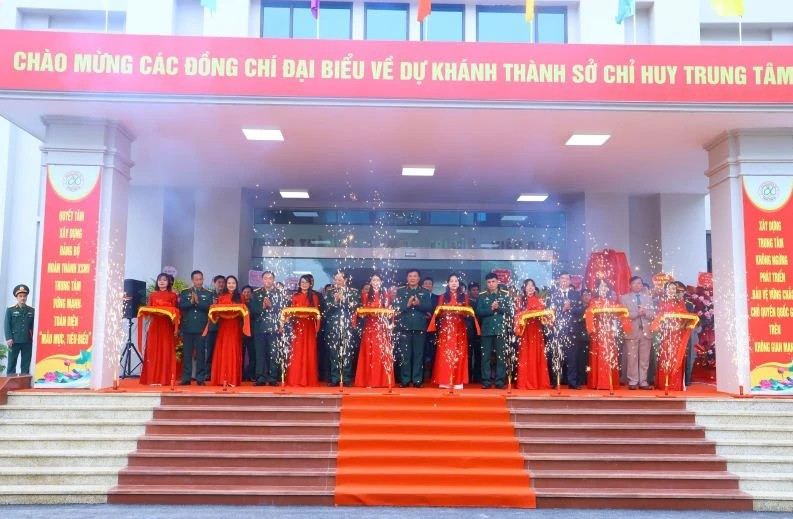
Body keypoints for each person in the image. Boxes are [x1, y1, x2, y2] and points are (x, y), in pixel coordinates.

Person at [652, 282, 699, 391]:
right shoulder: (661, 303)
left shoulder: (681, 302)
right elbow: (658, 318)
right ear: (665, 290)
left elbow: (685, 316)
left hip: (677, 334)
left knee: (677, 357)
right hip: (666, 334)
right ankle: (664, 383)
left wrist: (683, 323)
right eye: (670, 289)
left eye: (674, 289)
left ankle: (675, 384)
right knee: (665, 357)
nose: (672, 291)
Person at [585, 279, 631, 391]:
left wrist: (625, 324)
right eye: (601, 287)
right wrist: (591, 328)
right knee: (599, 354)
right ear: (597, 289)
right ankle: (598, 382)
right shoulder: (593, 301)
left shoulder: (612, 302)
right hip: (597, 332)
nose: (604, 289)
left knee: (609, 355)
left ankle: (609, 381)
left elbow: (620, 313)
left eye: (606, 287)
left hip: (609, 332)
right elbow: (589, 314)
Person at [430, 273, 470, 389]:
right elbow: (438, 312)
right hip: (446, 328)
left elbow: (467, 313)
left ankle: (458, 381)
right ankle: (444, 380)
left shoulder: (464, 297)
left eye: (456, 281)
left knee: (459, 352)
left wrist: (461, 311)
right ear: (448, 283)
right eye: (451, 281)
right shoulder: (442, 297)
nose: (454, 283)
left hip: (460, 327)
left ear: (459, 283)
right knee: (445, 353)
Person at [394, 269, 433, 388]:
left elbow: (429, 307)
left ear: (419, 278)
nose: (412, 278)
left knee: (418, 354)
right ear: (407, 278)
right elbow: (396, 307)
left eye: (415, 276)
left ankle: (417, 380)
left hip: (419, 326)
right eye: (410, 276)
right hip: (404, 327)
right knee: (405, 355)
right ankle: (405, 380)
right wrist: (407, 304)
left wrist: (418, 304)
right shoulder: (400, 291)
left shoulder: (424, 291)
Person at [354, 273, 395, 388]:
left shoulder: (386, 295)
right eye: (373, 280)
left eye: (378, 280)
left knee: (381, 352)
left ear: (381, 282)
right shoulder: (365, 295)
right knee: (369, 352)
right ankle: (368, 381)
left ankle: (382, 381)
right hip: (369, 326)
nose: (376, 282)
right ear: (370, 282)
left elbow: (389, 311)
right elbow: (361, 311)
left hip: (381, 327)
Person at [140, 273, 180, 385]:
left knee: (165, 350)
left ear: (168, 282)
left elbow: (176, 312)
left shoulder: (173, 295)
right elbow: (149, 311)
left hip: (166, 326)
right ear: (157, 282)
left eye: (164, 280)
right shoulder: (152, 295)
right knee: (153, 351)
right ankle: (152, 378)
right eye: (160, 280)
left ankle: (164, 379)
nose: (162, 282)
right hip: (155, 325)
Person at [209, 275, 249, 387]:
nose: (231, 285)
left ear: (236, 285)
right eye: (229, 283)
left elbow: (244, 313)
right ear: (226, 285)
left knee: (233, 351)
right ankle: (221, 379)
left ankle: (232, 379)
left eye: (233, 283)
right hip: (223, 327)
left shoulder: (240, 297)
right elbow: (216, 314)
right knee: (223, 351)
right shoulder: (221, 297)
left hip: (235, 327)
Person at [323, 270, 360, 387]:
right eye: (336, 280)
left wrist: (343, 299)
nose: (337, 282)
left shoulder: (353, 293)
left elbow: (355, 307)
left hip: (347, 327)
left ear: (345, 280)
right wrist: (335, 301)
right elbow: (325, 310)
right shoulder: (330, 293)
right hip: (333, 327)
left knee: (347, 353)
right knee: (334, 353)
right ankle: (335, 378)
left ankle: (346, 378)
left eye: (340, 280)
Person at [249, 271, 286, 386]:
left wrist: (271, 307)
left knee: (273, 353)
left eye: (270, 278)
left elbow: (282, 310)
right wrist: (263, 307)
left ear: (273, 280)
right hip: (259, 327)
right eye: (265, 278)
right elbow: (252, 310)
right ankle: (260, 377)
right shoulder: (256, 293)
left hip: (274, 328)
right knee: (260, 353)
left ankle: (273, 377)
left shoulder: (279, 293)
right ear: (262, 280)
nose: (268, 280)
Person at [546, 272, 582, 389]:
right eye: (562, 278)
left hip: (571, 331)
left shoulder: (576, 294)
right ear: (558, 280)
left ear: (570, 281)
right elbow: (548, 312)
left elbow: (581, 310)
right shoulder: (552, 294)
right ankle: (556, 381)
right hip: (557, 331)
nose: (564, 280)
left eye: (567, 278)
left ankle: (573, 382)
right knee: (556, 356)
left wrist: (570, 308)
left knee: (572, 358)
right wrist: (562, 309)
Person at [476, 273, 512, 389]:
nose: (491, 284)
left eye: (493, 281)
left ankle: (500, 381)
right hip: (486, 330)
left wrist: (499, 308)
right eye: (489, 282)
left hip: (500, 329)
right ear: (486, 283)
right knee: (485, 356)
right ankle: (486, 381)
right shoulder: (481, 296)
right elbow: (479, 312)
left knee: (501, 356)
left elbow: (510, 311)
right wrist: (491, 309)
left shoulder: (505, 295)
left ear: (497, 282)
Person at [514, 279, 552, 390]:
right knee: (526, 355)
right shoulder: (520, 300)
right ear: (524, 288)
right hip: (525, 331)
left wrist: (545, 317)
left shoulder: (540, 300)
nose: (530, 287)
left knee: (537, 354)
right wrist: (527, 313)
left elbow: (545, 317)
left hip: (537, 331)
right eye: (528, 285)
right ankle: (524, 382)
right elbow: (517, 316)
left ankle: (539, 382)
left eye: (532, 285)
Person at [284, 274, 321, 387]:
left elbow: (317, 312)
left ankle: (308, 380)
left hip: (309, 326)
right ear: (299, 284)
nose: (304, 284)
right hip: (298, 326)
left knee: (309, 351)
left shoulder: (314, 296)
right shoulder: (295, 296)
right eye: (302, 282)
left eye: (306, 282)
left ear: (310, 284)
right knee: (297, 352)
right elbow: (291, 311)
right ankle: (295, 379)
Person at [178, 270, 213, 386]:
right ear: (192, 280)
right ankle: (186, 378)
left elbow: (209, 308)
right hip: (188, 327)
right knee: (187, 353)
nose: (199, 281)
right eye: (196, 279)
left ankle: (200, 378)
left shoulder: (208, 293)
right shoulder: (184, 292)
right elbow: (181, 306)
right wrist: (191, 302)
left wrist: (197, 303)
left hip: (201, 328)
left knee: (201, 354)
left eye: (201, 279)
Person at [620, 276, 656, 390]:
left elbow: (653, 315)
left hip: (646, 331)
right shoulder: (624, 298)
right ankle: (633, 381)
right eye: (635, 283)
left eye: (639, 283)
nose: (637, 285)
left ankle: (643, 381)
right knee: (632, 357)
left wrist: (645, 312)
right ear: (630, 285)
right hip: (631, 331)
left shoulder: (648, 298)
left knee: (645, 358)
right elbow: (623, 314)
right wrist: (637, 313)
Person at [4, 284, 35, 376]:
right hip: (14, 340)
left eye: (24, 296)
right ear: (16, 297)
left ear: (26, 297)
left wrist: (34, 339)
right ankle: (10, 382)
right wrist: (9, 338)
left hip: (27, 340)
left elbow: (33, 326)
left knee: (26, 363)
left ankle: (24, 382)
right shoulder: (10, 310)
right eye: (20, 296)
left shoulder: (32, 310)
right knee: (11, 363)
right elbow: (7, 325)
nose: (23, 298)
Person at [205, 275, 226, 375]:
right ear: (214, 283)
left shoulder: (227, 295)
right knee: (210, 352)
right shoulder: (209, 295)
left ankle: (220, 373)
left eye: (223, 282)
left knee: (222, 352)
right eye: (219, 282)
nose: (221, 284)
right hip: (212, 327)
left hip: (224, 328)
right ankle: (208, 373)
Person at [421, 276, 439, 381]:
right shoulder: (419, 296)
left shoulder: (437, 297)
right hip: (421, 327)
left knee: (433, 352)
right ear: (422, 285)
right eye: (426, 284)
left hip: (434, 329)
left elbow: (439, 310)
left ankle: (433, 375)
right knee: (421, 352)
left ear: (432, 286)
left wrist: (432, 316)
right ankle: (422, 375)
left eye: (430, 284)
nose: (428, 285)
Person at [467, 281, 482, 383]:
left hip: (480, 331)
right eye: (473, 290)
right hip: (469, 331)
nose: (476, 292)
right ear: (469, 291)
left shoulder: (481, 301)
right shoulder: (466, 302)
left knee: (479, 355)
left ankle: (477, 378)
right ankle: (467, 377)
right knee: (468, 355)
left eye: (477, 290)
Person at [240, 285, 255, 381]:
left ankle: (250, 374)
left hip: (252, 333)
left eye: (248, 292)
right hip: (241, 333)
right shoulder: (239, 304)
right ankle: (240, 375)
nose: (246, 294)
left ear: (251, 294)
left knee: (253, 355)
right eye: (244, 292)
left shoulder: (254, 304)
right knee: (240, 355)